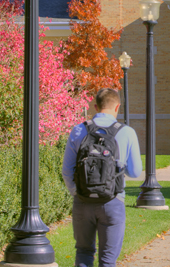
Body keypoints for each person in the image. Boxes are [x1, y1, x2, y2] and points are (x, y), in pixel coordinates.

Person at [62, 88, 142, 267]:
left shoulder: (78, 130)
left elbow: (67, 170)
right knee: (107, 260)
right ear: (117, 107)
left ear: (96, 107)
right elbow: (136, 171)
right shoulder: (127, 132)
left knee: (84, 252)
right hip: (112, 201)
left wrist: (77, 192)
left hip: (82, 201)